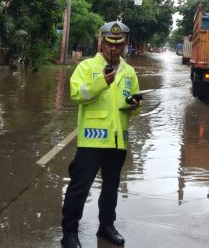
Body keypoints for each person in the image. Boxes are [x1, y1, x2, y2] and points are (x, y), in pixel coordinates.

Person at [60, 20, 141, 248]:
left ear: (125, 45)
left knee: (111, 187)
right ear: (101, 42)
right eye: (109, 44)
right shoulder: (86, 68)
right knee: (79, 187)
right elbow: (77, 93)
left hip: (117, 142)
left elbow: (133, 101)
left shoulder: (129, 72)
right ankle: (69, 233)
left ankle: (106, 226)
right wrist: (100, 84)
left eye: (119, 44)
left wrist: (135, 105)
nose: (113, 49)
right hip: (91, 141)